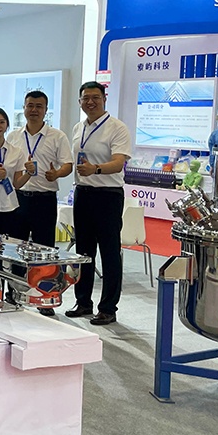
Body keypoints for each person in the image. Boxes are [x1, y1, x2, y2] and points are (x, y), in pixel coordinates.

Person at [68, 81, 132, 325]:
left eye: (95, 97)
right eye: (85, 98)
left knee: (109, 252)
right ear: (80, 102)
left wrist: (95, 168)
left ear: (104, 99)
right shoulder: (78, 128)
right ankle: (83, 302)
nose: (90, 102)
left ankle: (108, 308)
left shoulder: (117, 128)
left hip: (108, 195)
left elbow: (118, 163)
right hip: (83, 193)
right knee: (83, 251)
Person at [6, 91, 73, 316]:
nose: (34, 110)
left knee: (45, 250)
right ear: (24, 108)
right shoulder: (14, 137)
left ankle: (46, 299)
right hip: (19, 199)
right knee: (15, 249)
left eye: (39, 106)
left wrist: (57, 174)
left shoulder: (57, 136)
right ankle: (13, 294)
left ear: (46, 110)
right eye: (30, 105)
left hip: (45, 199)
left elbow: (68, 164)